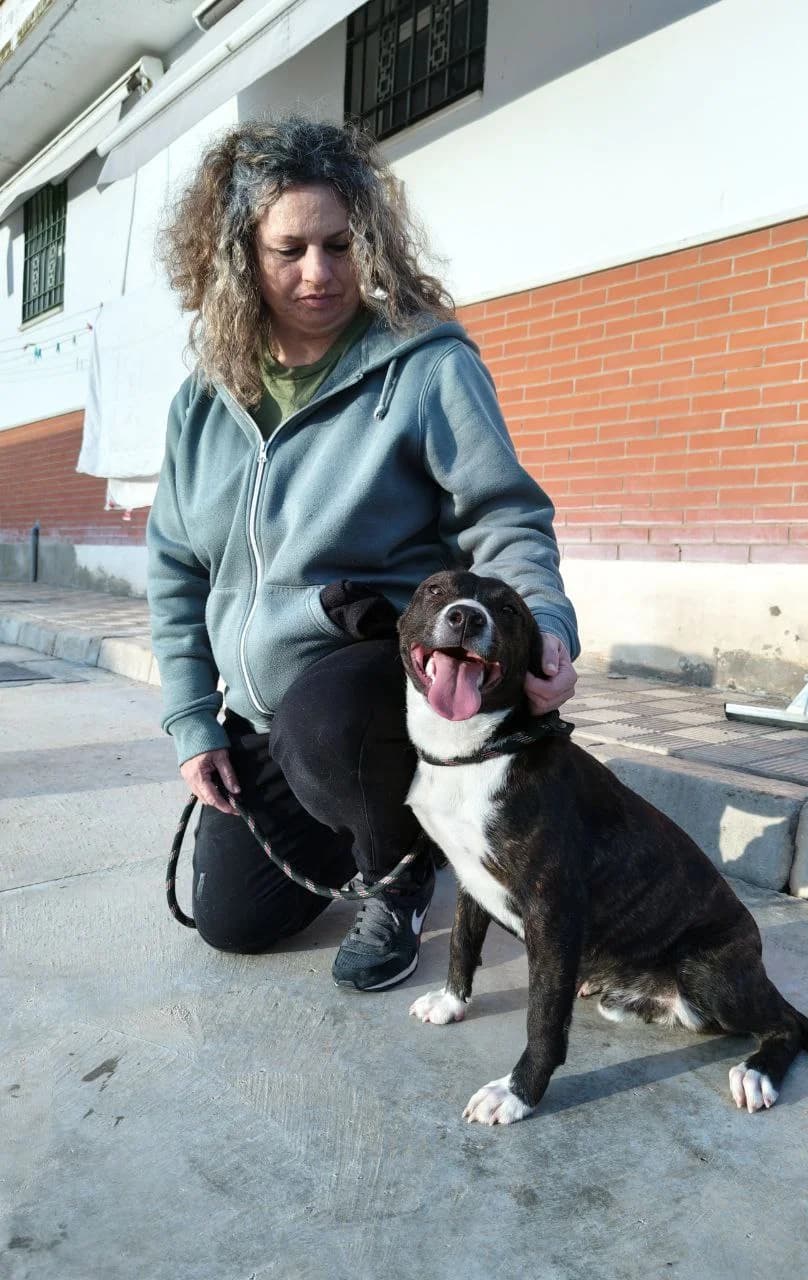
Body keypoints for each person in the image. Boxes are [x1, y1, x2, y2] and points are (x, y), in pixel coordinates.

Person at [149, 117, 579, 992]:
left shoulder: (423, 365)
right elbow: (175, 571)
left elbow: (505, 516)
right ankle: (400, 823)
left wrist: (544, 624)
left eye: (341, 244)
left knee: (326, 723)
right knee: (237, 923)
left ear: (370, 240)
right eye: (290, 249)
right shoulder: (202, 403)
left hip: (380, 677)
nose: (320, 273)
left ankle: (399, 869)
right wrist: (196, 725)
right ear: (241, 257)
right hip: (267, 713)